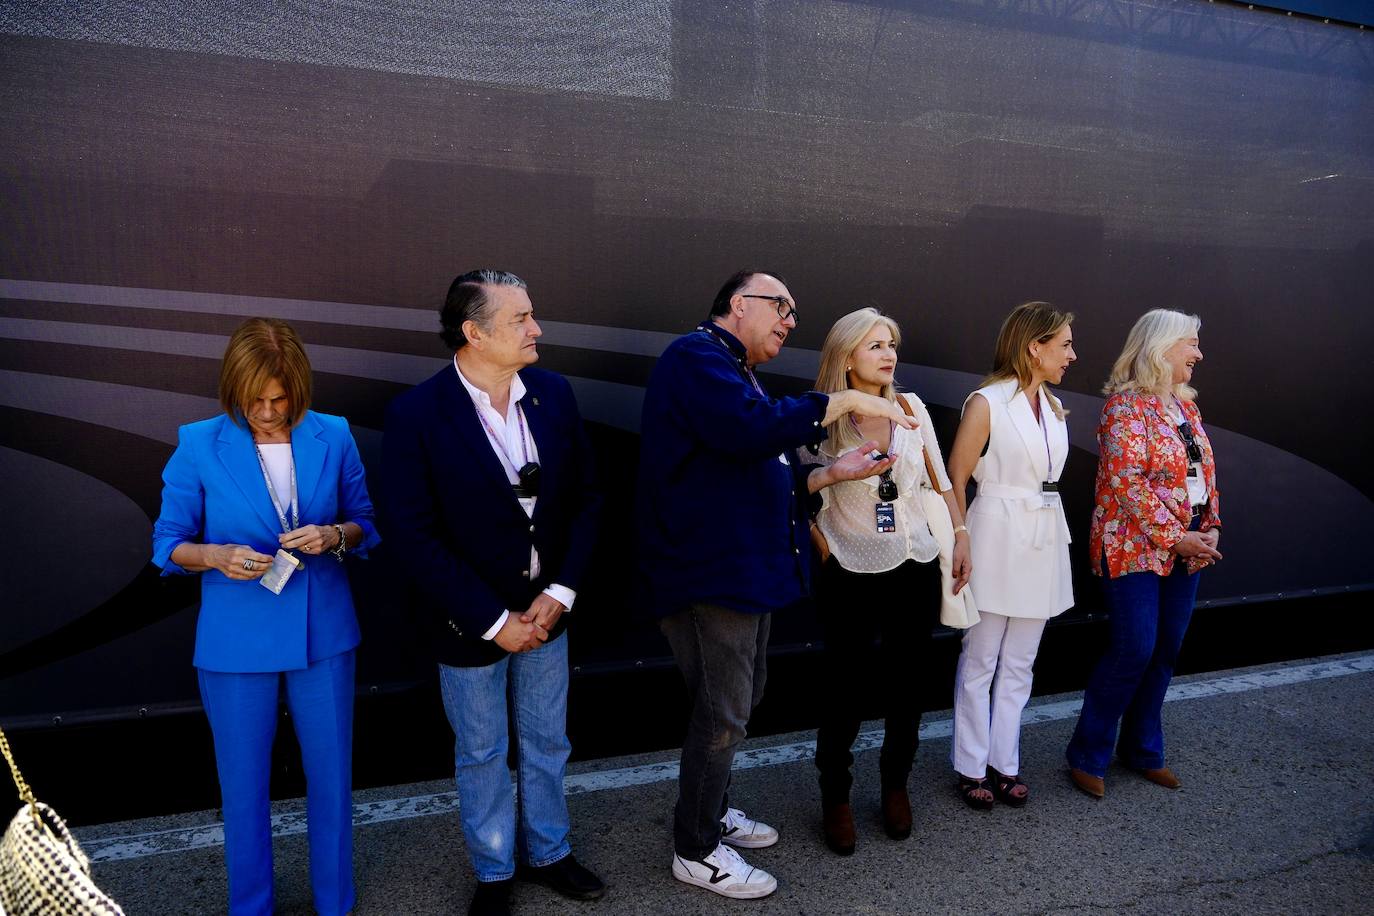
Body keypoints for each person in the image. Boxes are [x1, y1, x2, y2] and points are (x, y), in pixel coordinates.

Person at [637, 270, 916, 899]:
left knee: (739, 701)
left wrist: (831, 474)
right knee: (722, 715)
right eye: (781, 306)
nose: (790, 321)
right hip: (713, 575)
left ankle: (712, 812)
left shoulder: (736, 371)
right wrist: (841, 402)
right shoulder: (696, 357)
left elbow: (752, 468)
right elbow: (749, 431)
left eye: (793, 311)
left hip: (745, 573)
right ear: (739, 304)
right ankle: (696, 849)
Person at [382, 270, 603, 916]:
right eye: (520, 319)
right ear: (474, 333)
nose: (537, 329)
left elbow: (588, 500)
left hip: (548, 613)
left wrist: (561, 591)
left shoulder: (554, 395)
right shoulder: (418, 414)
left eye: (532, 315)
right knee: (481, 752)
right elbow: (413, 535)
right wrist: (491, 619)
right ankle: (495, 869)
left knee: (547, 740)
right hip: (469, 624)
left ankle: (550, 853)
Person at [151, 317, 379, 916]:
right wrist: (215, 556)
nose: (268, 412)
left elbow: (365, 523)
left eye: (280, 399)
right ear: (233, 388)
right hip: (235, 641)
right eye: (254, 400)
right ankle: (250, 908)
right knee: (243, 788)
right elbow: (167, 543)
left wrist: (335, 535)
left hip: (324, 634)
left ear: (298, 388)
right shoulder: (198, 443)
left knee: (331, 781)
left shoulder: (334, 434)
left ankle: (336, 904)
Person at [809, 307, 972, 855]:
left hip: (913, 561)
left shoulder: (911, 407)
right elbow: (800, 489)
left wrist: (960, 534)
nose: (888, 354)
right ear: (846, 356)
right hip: (850, 569)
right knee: (845, 689)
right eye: (874, 345)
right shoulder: (819, 417)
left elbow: (939, 479)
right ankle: (836, 797)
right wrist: (823, 546)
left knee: (908, 684)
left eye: (891, 344)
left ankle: (895, 784)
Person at [1065, 308, 1222, 798]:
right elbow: (1127, 483)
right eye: (1191, 343)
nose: (1199, 354)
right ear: (1161, 347)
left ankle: (1143, 751)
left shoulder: (1187, 408)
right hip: (1133, 546)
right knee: (1135, 647)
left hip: (1189, 543)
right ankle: (1087, 755)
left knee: (1166, 649)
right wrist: (1177, 536)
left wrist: (1211, 525)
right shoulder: (1125, 408)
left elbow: (1204, 476)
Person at [946, 302, 1076, 810]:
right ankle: (971, 765)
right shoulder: (987, 402)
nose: (1072, 355)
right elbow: (957, 476)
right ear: (1034, 347)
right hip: (995, 534)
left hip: (1043, 535)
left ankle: (1005, 762)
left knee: (1021, 660)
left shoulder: (1054, 405)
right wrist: (960, 537)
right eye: (1064, 345)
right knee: (981, 658)